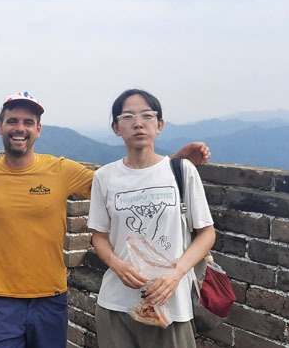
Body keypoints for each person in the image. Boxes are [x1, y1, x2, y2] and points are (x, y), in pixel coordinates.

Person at [0, 91, 210, 348]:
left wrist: (171, 163)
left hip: (50, 295)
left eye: (28, 122)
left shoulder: (60, 170)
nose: (20, 128)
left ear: (38, 130)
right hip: (2, 296)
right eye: (12, 121)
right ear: (0, 127)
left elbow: (124, 183)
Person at [88, 89, 215, 348]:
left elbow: (207, 233)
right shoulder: (105, 177)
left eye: (147, 116)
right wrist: (117, 265)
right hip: (116, 304)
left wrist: (176, 274)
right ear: (116, 128)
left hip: (170, 303)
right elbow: (98, 236)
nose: (138, 123)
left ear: (159, 125)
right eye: (128, 117)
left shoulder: (181, 171)